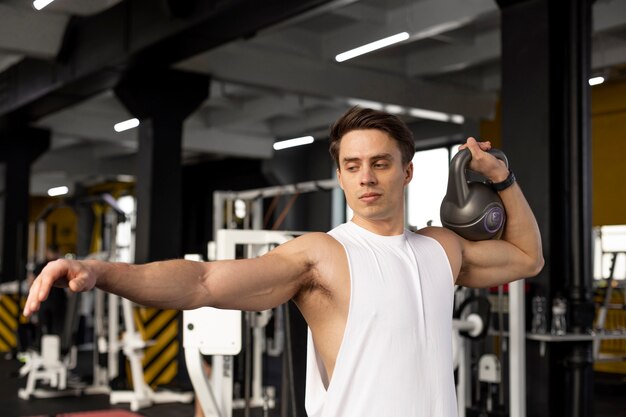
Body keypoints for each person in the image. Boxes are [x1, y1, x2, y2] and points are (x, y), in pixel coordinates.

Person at [23, 106, 543, 416]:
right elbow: (204, 281)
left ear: (407, 173)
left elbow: (527, 257)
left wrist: (502, 178)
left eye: (380, 164)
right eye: (353, 165)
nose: (366, 177)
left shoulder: (441, 249)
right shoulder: (322, 254)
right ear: (340, 176)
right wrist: (100, 272)